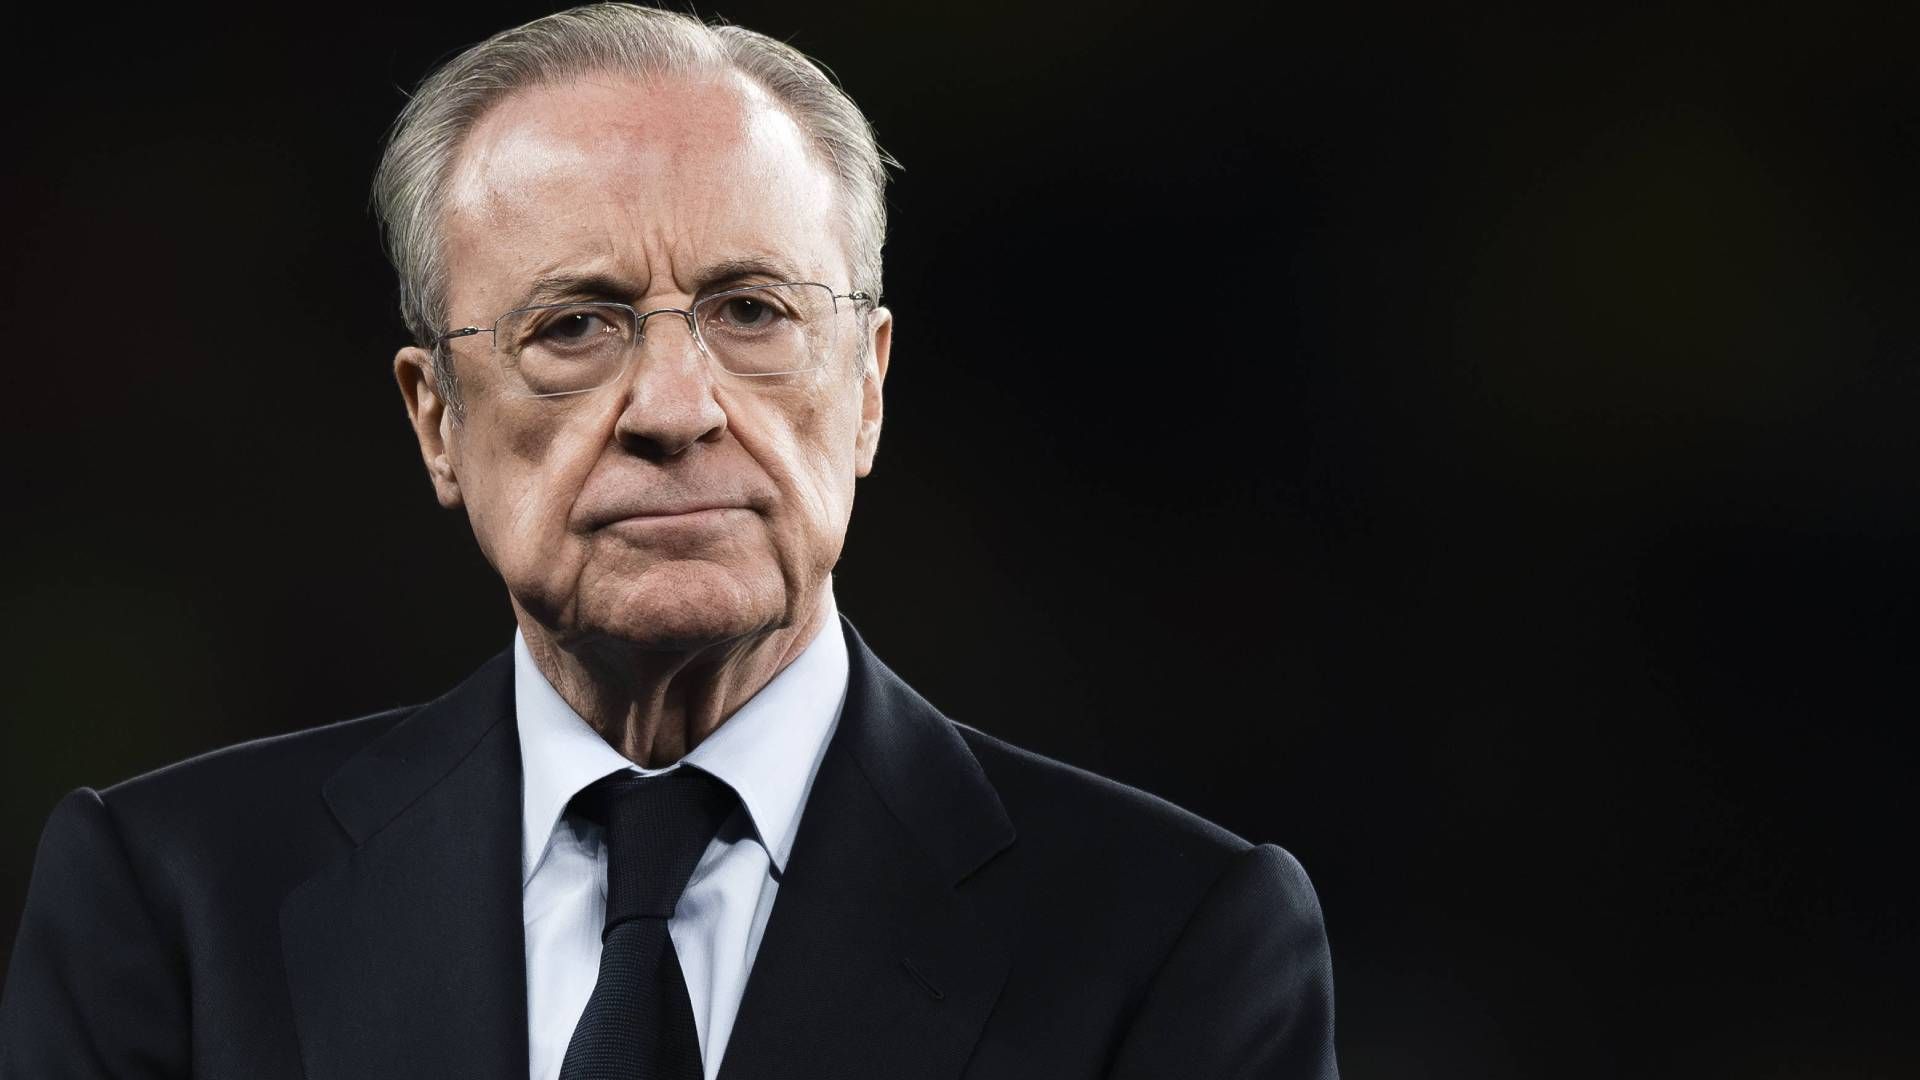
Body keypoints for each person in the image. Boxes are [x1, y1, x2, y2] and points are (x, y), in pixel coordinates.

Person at [0, 5, 1337, 1077]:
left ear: (868, 388)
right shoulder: (170, 907)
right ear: (437, 420)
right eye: (573, 326)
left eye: (752, 311)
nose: (676, 408)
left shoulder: (1174, 943)